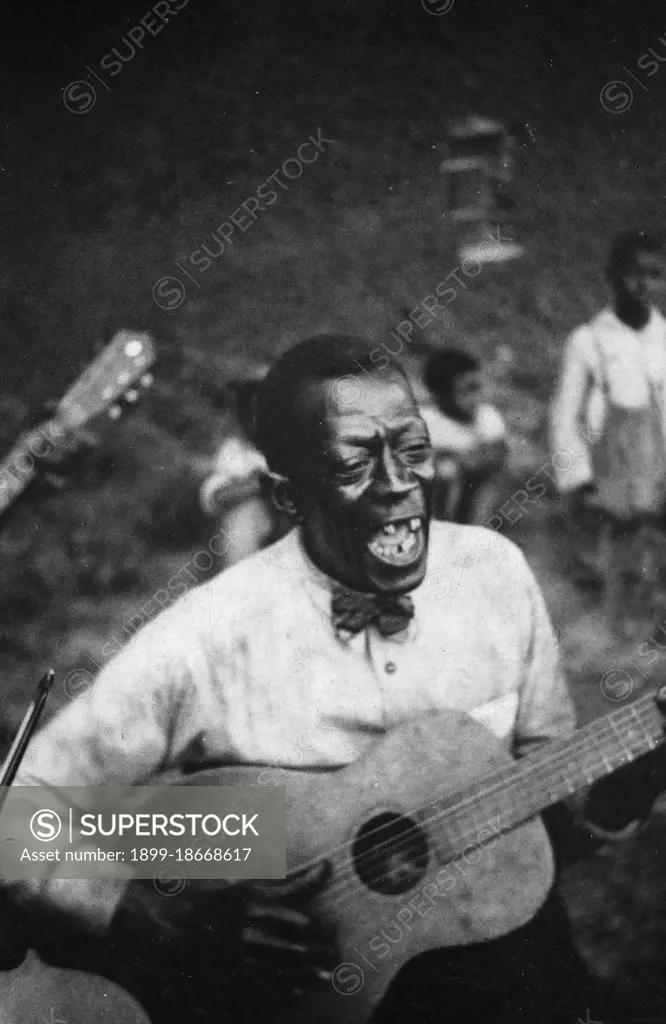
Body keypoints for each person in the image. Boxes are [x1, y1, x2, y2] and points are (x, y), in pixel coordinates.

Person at [5, 335, 666, 1024]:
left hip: (512, 975)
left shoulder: (494, 574)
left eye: (412, 449)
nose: (399, 483)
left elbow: (542, 827)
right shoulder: (208, 636)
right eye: (356, 461)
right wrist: (151, 912)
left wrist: (625, 786)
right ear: (286, 497)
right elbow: (20, 815)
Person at [550, 231, 666, 597]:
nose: (643, 284)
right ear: (613, 276)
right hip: (609, 468)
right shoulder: (588, 340)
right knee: (616, 563)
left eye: (654, 274)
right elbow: (565, 416)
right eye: (633, 273)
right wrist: (579, 479)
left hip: (658, 466)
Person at [200, 377, 287, 568]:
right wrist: (256, 486)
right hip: (270, 523)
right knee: (242, 518)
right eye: (248, 414)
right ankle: (245, 589)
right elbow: (214, 495)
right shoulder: (236, 452)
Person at [420, 349, 508, 523]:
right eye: (466, 391)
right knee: (444, 471)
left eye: (477, 388)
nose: (475, 397)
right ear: (440, 394)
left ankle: (477, 531)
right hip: (437, 498)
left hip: (472, 498)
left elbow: (498, 454)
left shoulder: (487, 418)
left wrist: (473, 460)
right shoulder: (425, 421)